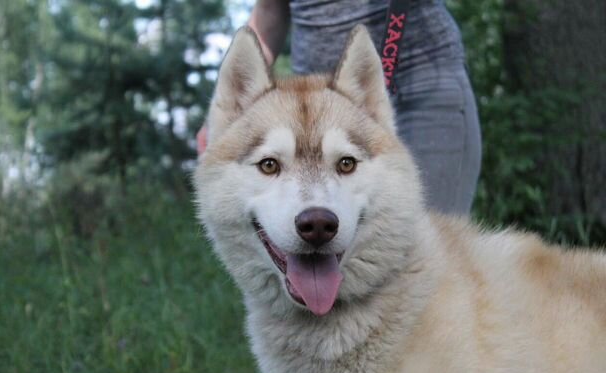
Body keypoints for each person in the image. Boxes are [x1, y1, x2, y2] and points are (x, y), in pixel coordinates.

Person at [198, 0, 481, 215]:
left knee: (429, 250)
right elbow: (269, 14)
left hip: (421, 89)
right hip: (309, 112)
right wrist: (227, 116)